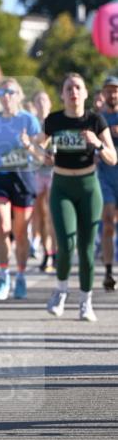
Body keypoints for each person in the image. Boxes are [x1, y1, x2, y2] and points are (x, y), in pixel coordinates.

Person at [32, 73, 116, 320]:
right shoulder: (54, 120)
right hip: (62, 186)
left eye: (78, 87)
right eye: (69, 88)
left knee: (87, 249)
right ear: (62, 94)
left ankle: (86, 301)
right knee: (66, 246)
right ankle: (60, 291)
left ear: (86, 93)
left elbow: (113, 157)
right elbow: (38, 149)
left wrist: (97, 144)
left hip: (89, 186)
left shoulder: (96, 120)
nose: (73, 92)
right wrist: (44, 156)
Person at [0, 78, 42, 301]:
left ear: (19, 96)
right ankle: (4, 276)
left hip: (23, 177)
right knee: (2, 225)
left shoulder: (29, 120)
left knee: (20, 233)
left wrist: (28, 145)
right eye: (2, 91)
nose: (6, 95)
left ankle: (21, 276)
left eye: (11, 92)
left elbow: (40, 156)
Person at [31, 90, 56, 273]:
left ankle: (52, 253)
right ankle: (45, 251)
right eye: (38, 100)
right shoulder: (32, 124)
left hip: (54, 171)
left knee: (51, 215)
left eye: (44, 99)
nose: (41, 103)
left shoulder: (56, 122)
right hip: (36, 172)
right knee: (40, 215)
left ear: (50, 103)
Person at [98, 75, 118, 291]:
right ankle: (109, 272)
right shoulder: (99, 119)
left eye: (116, 90)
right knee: (109, 223)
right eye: (109, 90)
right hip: (105, 177)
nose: (112, 94)